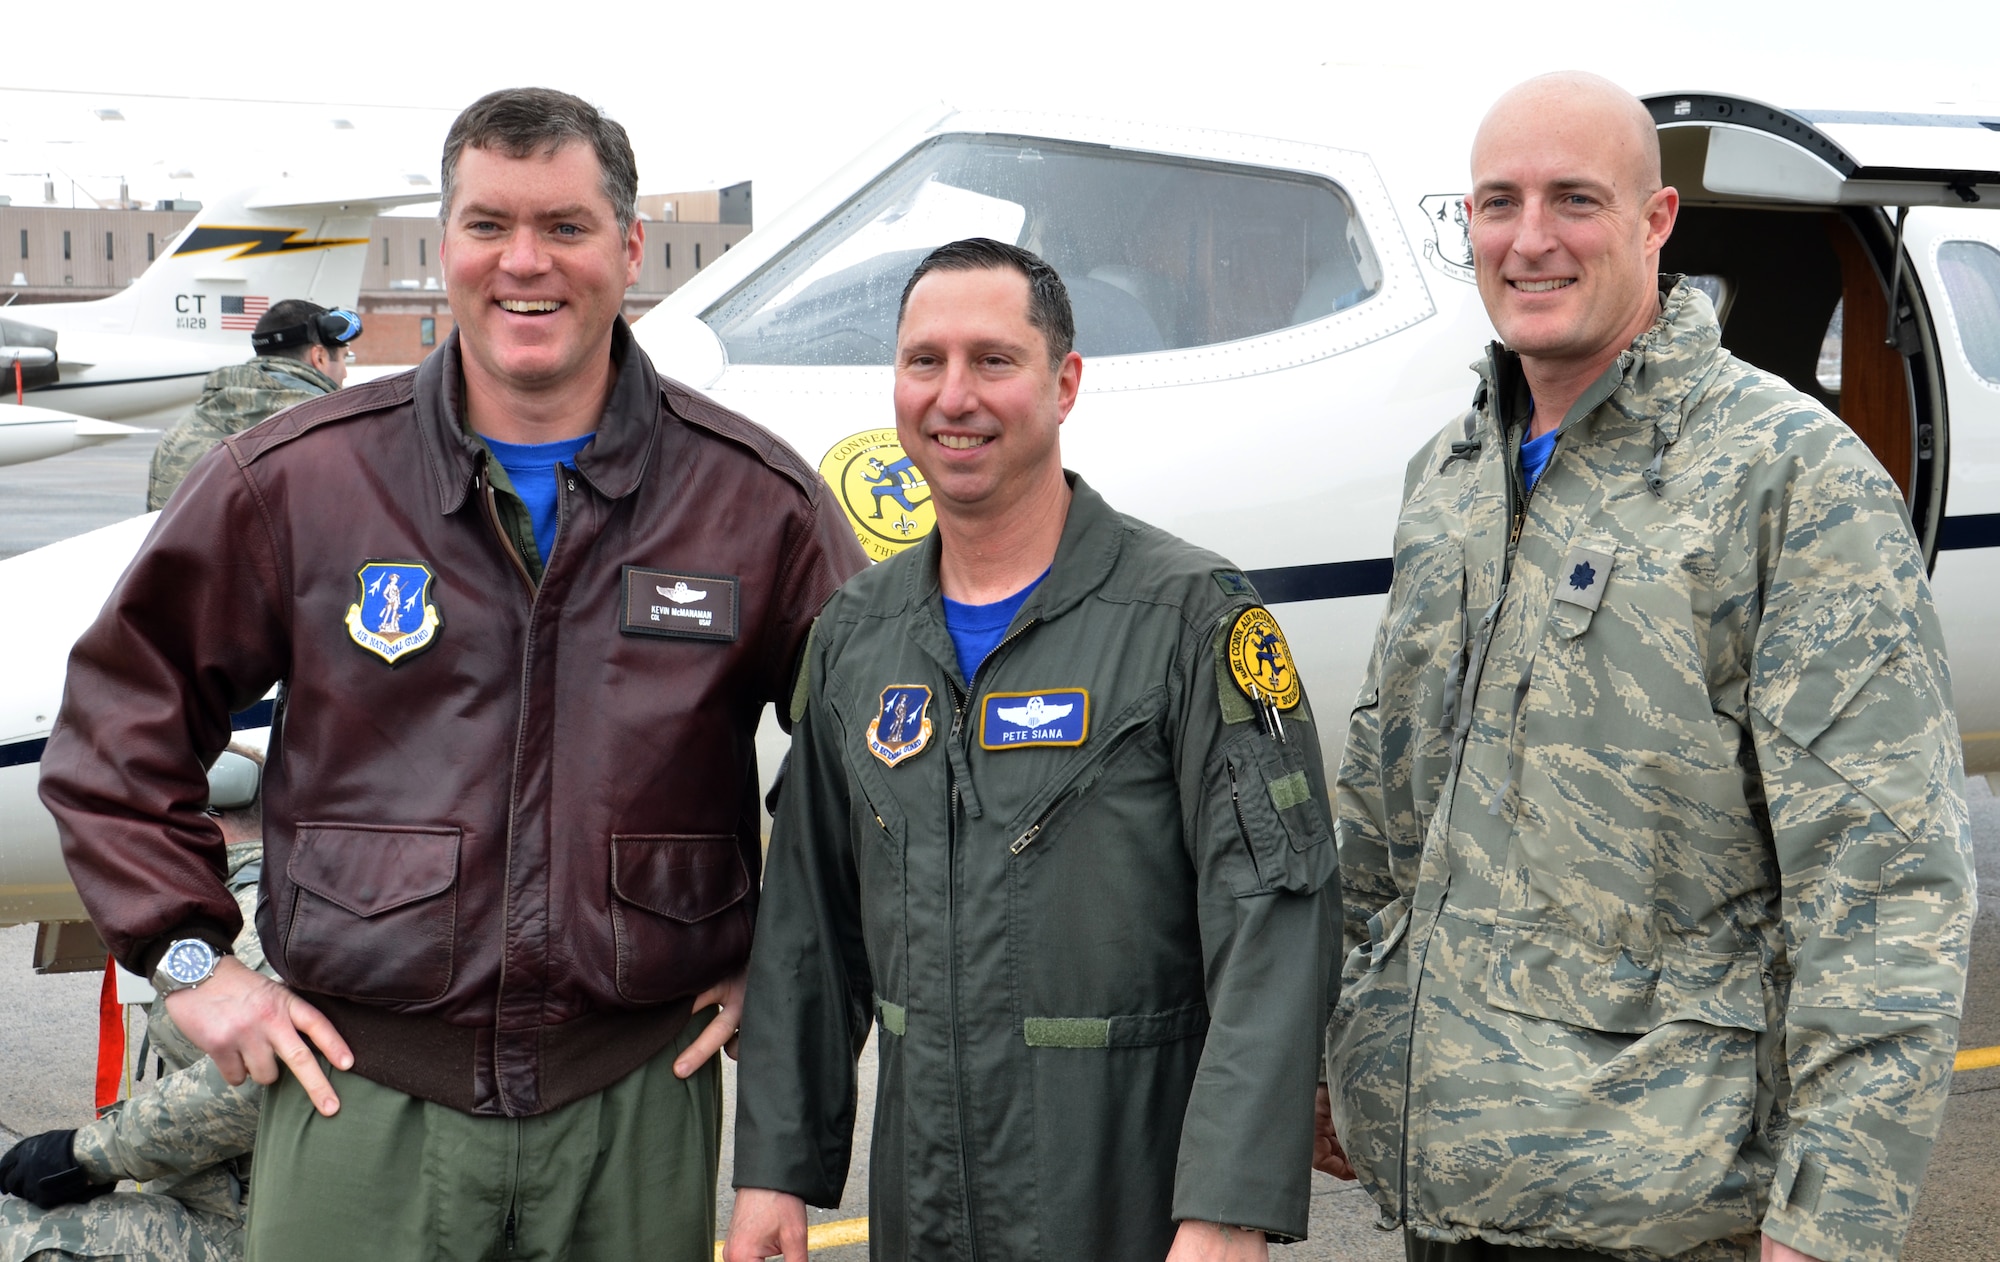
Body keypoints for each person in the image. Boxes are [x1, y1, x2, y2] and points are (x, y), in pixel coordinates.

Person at [41, 86, 866, 1261]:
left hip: (631, 1105)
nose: (523, 263)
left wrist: (781, 968)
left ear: (629, 249)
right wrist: (192, 965)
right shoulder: (300, 481)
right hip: (357, 1102)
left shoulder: (750, 501)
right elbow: (117, 727)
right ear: (446, 247)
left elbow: (872, 774)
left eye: (565, 227)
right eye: (488, 225)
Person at [1323, 72, 1975, 1262]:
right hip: (1452, 1190)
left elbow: (1883, 885)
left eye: (1573, 199)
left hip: (1665, 1205)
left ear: (1655, 220)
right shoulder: (1450, 475)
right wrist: (1345, 1051)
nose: (1530, 239)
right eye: (1495, 203)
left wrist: (1829, 1222)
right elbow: (1382, 812)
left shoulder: (1787, 480)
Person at [725, 238, 1339, 1262]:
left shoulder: (1188, 619)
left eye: (992, 360)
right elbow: (808, 929)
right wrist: (774, 1170)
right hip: (923, 1205)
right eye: (924, 361)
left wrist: (1225, 1206)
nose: (952, 395)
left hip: (1126, 1200)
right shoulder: (856, 636)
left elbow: (1274, 920)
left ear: (1063, 384)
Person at [0, 749, 269, 1262]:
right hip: (244, 1208)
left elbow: (255, 1086)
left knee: (19, 1235)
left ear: (198, 827)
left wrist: (86, 1154)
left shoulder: (254, 925)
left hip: (262, 1231)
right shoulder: (247, 908)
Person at [146, 300, 361, 510]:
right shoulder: (331, 432)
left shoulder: (179, 435)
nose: (345, 372)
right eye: (344, 358)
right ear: (320, 357)